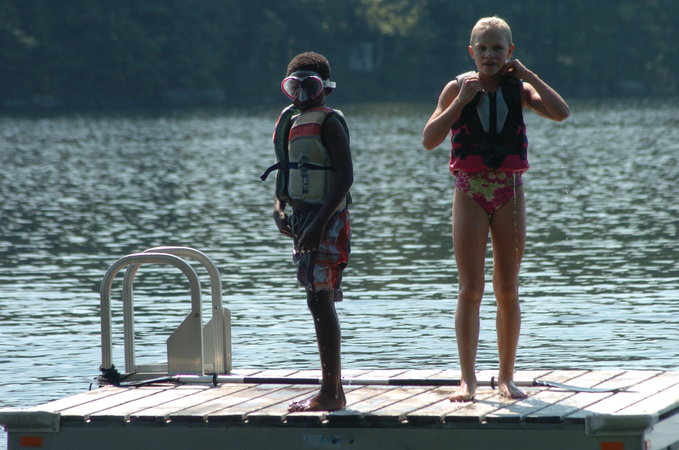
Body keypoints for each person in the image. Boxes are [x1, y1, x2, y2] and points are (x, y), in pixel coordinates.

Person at [422, 17, 569, 402]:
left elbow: (561, 112)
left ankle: (506, 377)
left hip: (510, 194)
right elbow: (429, 139)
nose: (490, 55)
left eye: (497, 48)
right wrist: (460, 102)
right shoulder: (457, 87)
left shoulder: (519, 89)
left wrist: (528, 75)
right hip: (470, 193)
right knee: (470, 288)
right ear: (472, 52)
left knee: (507, 287)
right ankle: (467, 380)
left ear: (510, 52)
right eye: (483, 49)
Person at [260, 52, 353, 412]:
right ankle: (331, 389)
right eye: (293, 87)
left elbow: (345, 177)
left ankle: (331, 392)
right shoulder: (291, 122)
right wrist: (279, 208)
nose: (301, 95)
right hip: (304, 219)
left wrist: (318, 225)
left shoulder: (328, 123)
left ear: (326, 89)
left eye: (309, 87)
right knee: (316, 298)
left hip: (326, 219)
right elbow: (286, 172)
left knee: (320, 300)